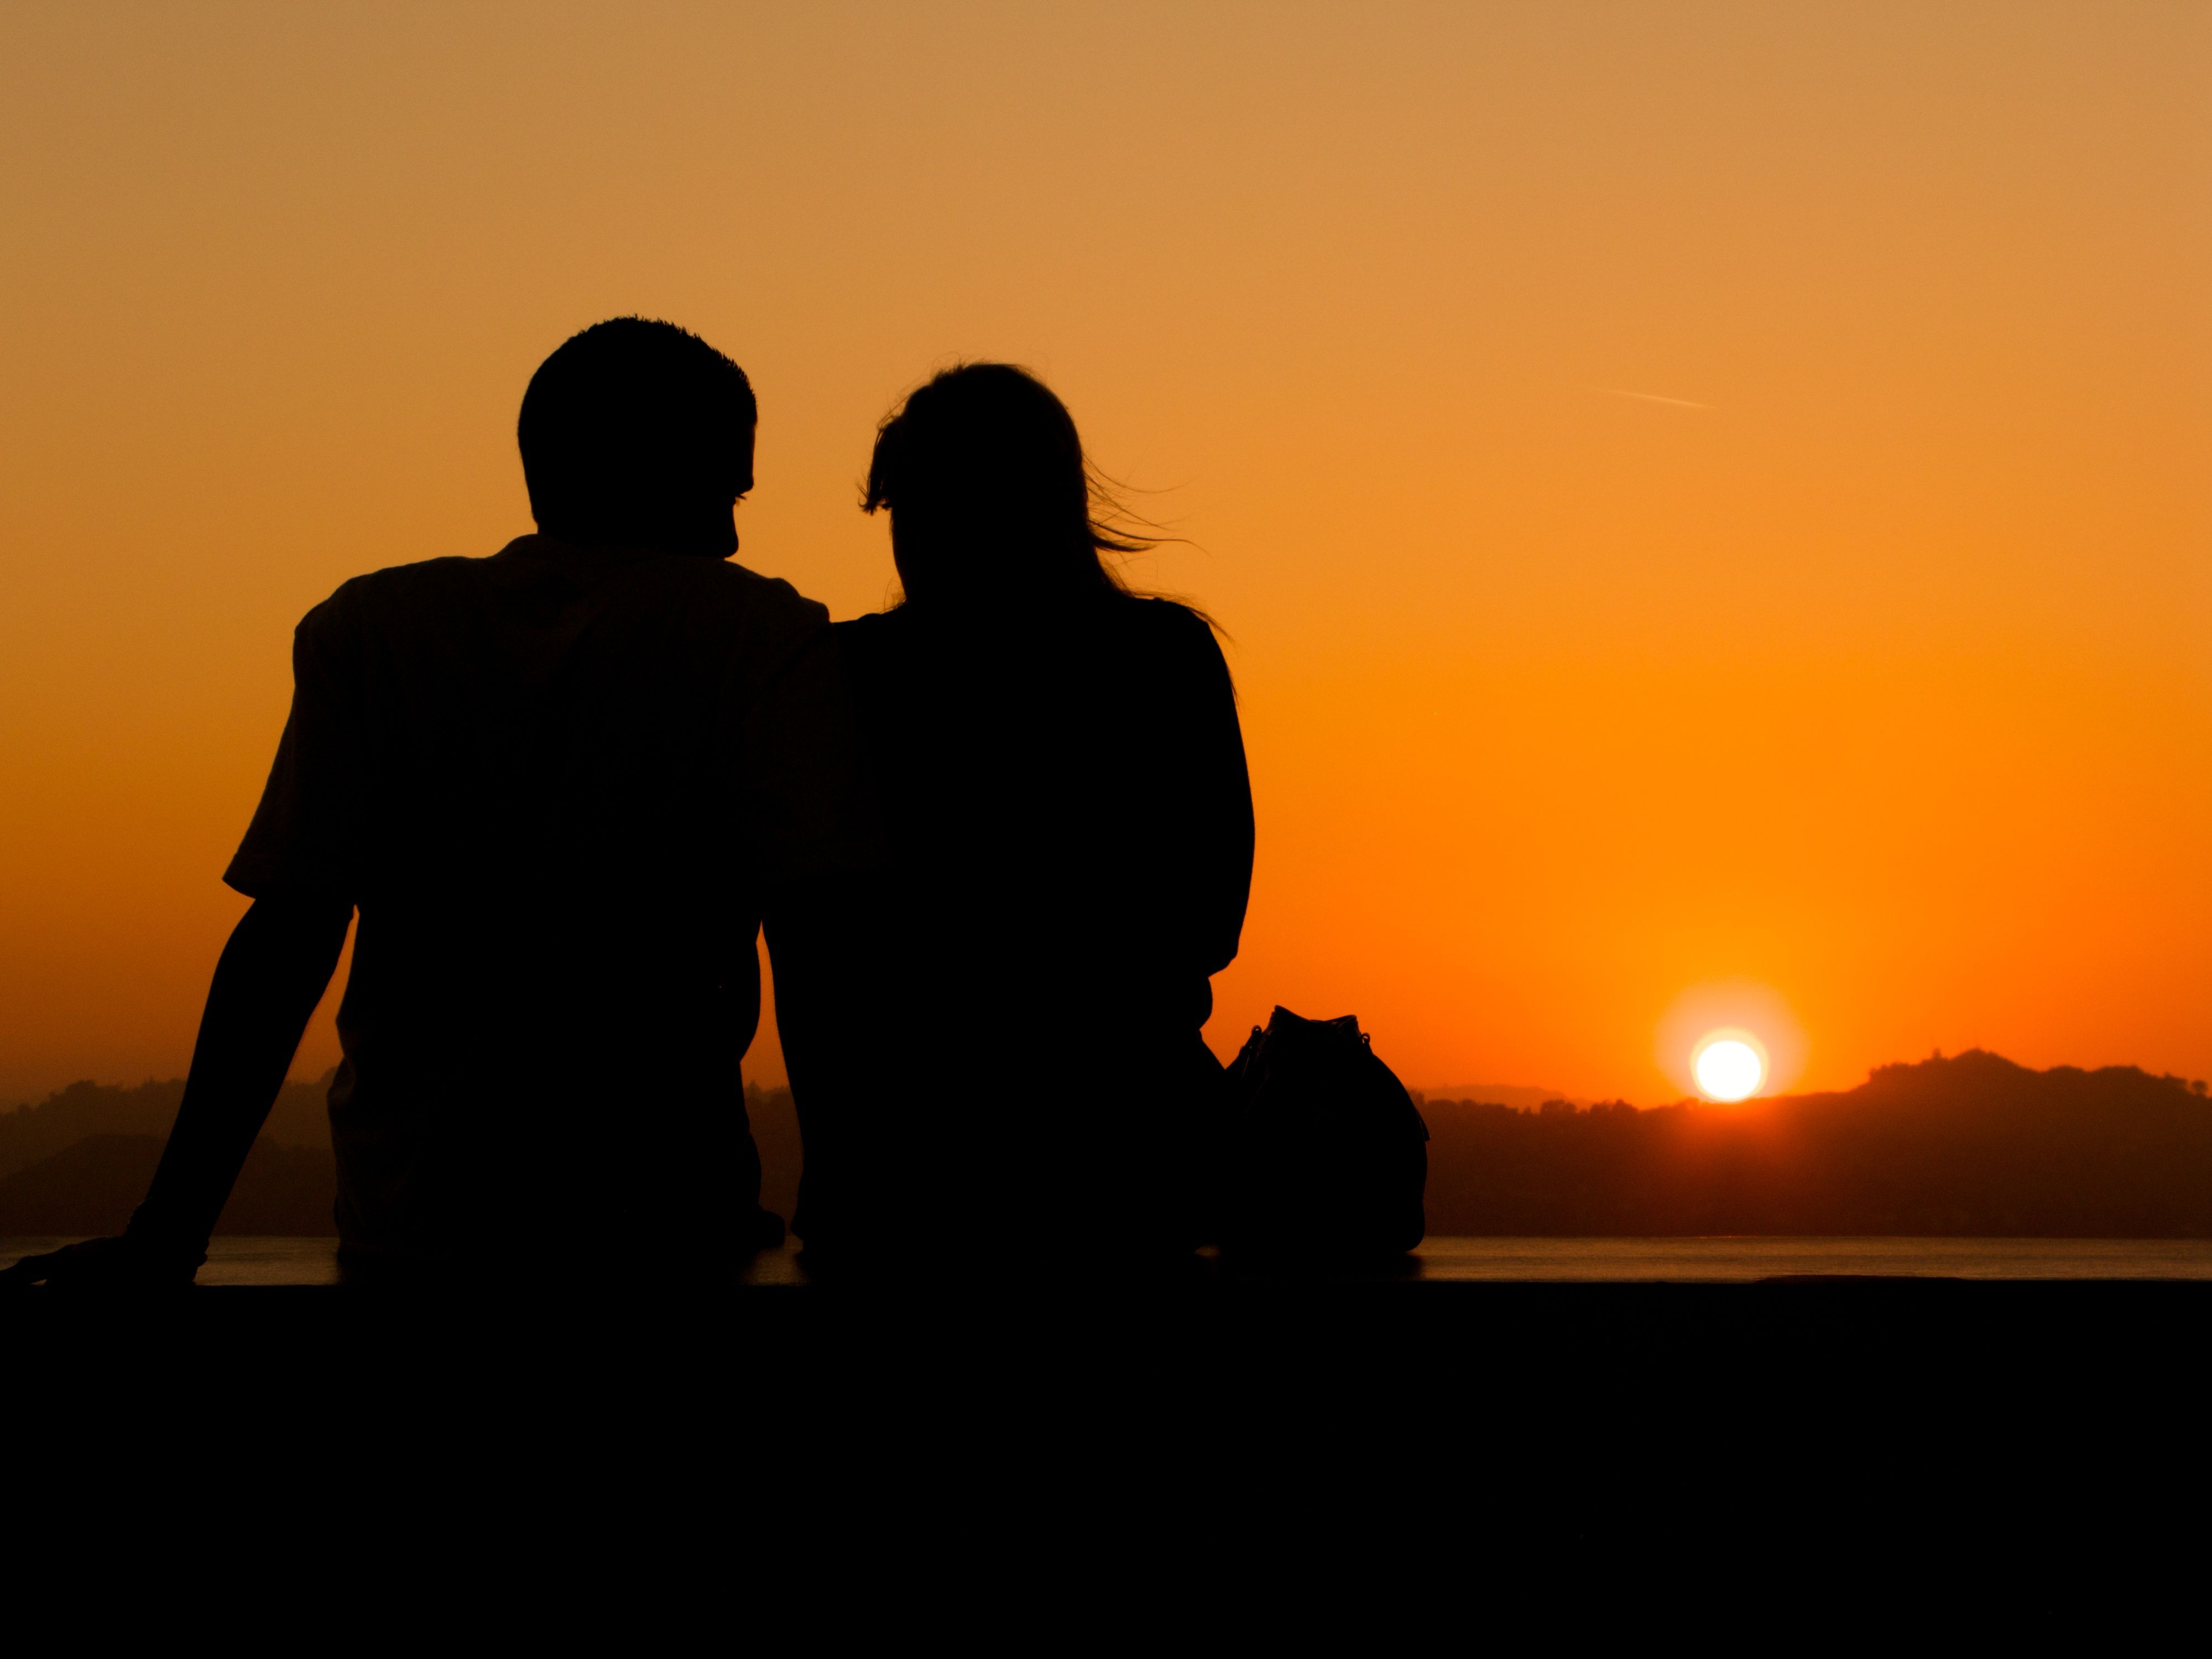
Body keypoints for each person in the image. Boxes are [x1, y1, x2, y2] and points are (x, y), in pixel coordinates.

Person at [2, 317, 871, 1288]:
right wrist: (848, 1212)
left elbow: (285, 944)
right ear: (673, 474)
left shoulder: (374, 633)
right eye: (727, 489)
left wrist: (170, 1232)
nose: (732, 532)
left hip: (409, 1231)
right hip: (669, 1225)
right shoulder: (764, 637)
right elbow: (817, 945)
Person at [804, 363, 1253, 1262]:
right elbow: (1209, 922)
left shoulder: (848, 676)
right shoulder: (1165, 660)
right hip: (1132, 1166)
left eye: (922, 507)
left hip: (902, 1180)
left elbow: (821, 932)